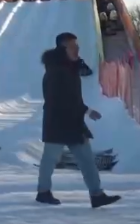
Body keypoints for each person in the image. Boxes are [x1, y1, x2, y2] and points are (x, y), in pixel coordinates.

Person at [37, 32, 121, 208]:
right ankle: (43, 192)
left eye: (77, 46)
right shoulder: (56, 71)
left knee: (87, 160)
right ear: (62, 49)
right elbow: (59, 99)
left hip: (73, 123)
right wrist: (85, 111)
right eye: (73, 46)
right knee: (50, 159)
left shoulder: (69, 68)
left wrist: (85, 111)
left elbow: (74, 94)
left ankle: (97, 195)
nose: (77, 49)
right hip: (57, 123)